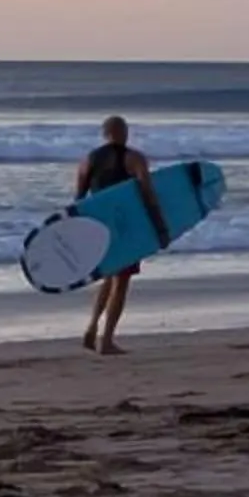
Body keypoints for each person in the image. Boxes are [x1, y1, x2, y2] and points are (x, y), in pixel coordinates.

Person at [75, 114, 168, 355]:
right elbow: (148, 193)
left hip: (99, 229)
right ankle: (106, 340)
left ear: (104, 134)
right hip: (125, 227)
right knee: (122, 282)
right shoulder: (134, 158)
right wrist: (159, 226)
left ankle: (91, 328)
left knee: (109, 277)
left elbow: (78, 201)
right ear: (124, 133)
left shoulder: (88, 160)